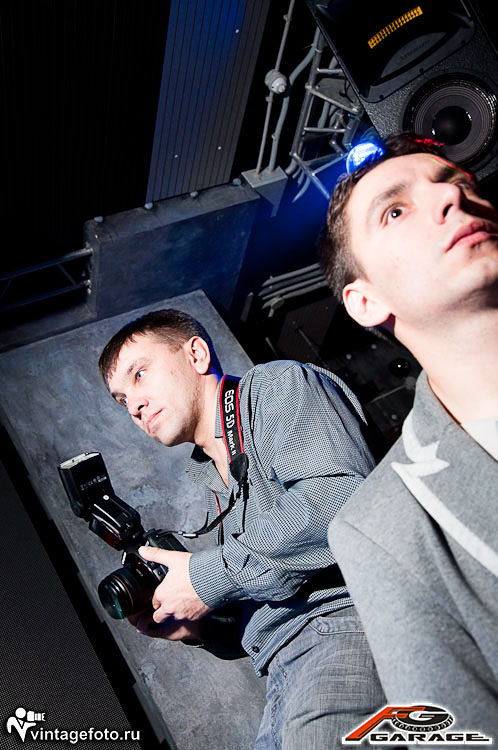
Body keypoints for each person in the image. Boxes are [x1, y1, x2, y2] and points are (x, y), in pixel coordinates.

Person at [98, 308, 385, 749]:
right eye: (122, 400)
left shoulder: (277, 387)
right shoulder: (216, 484)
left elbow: (339, 501)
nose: (134, 406)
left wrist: (207, 577)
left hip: (346, 630)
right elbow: (270, 602)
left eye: (139, 375)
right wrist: (202, 628)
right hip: (283, 676)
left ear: (196, 355)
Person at [320, 132, 498, 738]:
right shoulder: (380, 528)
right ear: (364, 301)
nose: (452, 198)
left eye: (458, 182)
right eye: (395, 212)